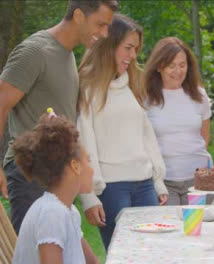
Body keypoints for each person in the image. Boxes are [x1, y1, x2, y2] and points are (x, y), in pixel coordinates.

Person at [0, 0, 117, 234]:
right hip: (29, 173)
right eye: (100, 24)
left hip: (58, 174)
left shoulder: (67, 54)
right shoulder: (35, 51)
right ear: (78, 16)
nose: (104, 34)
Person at [77, 14, 168, 249]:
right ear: (109, 45)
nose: (133, 56)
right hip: (111, 188)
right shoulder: (86, 88)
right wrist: (88, 197)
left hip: (145, 184)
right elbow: (84, 145)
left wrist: (158, 182)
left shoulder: (132, 83)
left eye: (135, 49)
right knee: (124, 254)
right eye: (128, 48)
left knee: (153, 251)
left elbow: (146, 136)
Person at [12, 112, 100, 264]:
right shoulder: (52, 214)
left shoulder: (68, 211)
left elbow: (93, 262)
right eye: (88, 160)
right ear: (75, 166)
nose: (92, 170)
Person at [144, 37, 211, 205]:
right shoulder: (146, 99)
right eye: (171, 66)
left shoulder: (199, 95)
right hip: (164, 183)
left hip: (199, 182)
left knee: (198, 229)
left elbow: (205, 137)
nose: (178, 71)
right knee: (171, 228)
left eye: (182, 65)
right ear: (159, 66)